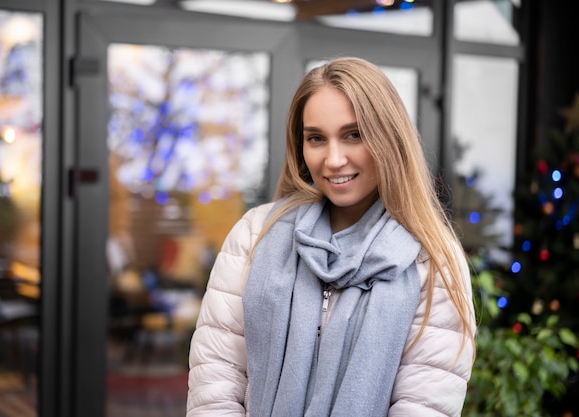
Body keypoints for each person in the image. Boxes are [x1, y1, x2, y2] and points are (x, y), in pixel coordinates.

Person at [186, 57, 476, 416]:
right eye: (316, 138)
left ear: (389, 138)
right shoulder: (254, 234)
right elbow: (216, 377)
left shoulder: (432, 259)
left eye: (354, 135)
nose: (334, 159)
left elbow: (424, 405)